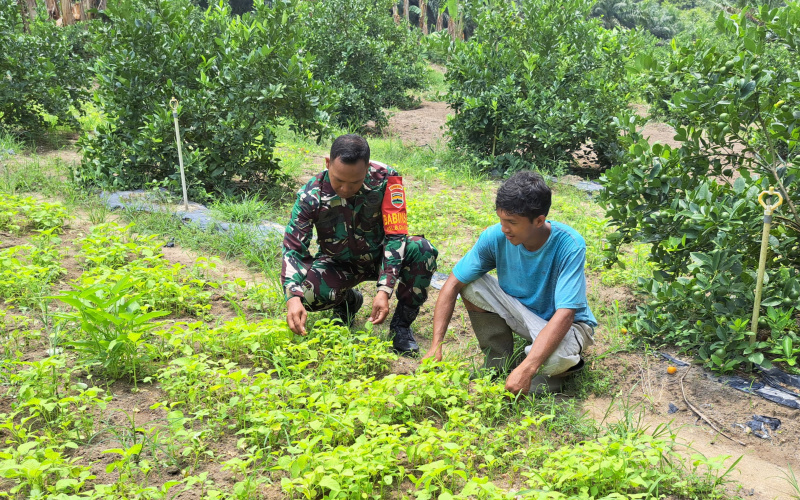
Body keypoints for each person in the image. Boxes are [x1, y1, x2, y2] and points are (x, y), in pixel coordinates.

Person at [422, 171, 596, 395]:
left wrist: (527, 368)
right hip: (522, 312)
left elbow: (566, 314)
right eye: (501, 219)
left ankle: (548, 374)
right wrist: (436, 345)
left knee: (555, 358)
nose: (504, 228)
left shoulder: (569, 245)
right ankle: (498, 363)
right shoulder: (496, 236)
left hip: (566, 326)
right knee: (470, 283)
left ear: (539, 221)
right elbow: (452, 284)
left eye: (512, 222)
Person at [281, 134, 438, 355]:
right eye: (338, 180)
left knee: (423, 250)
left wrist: (385, 289)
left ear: (367, 168)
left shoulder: (387, 179)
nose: (345, 189)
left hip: (380, 258)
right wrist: (292, 297)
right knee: (305, 294)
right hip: (339, 263)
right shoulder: (310, 195)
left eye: (354, 182)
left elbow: (395, 235)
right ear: (328, 163)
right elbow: (294, 249)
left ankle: (401, 327)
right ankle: (347, 303)